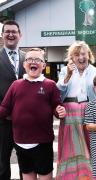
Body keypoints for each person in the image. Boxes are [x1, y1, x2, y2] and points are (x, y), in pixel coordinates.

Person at [0, 48, 66, 180]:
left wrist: (60, 111)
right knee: (27, 175)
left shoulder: (50, 85)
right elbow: (4, 108)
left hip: (42, 142)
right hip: (20, 142)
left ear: (43, 65)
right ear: (24, 65)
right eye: (29, 59)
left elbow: (57, 107)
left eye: (37, 59)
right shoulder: (15, 85)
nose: (33, 62)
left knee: (45, 176)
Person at [56, 41, 96, 179]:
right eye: (76, 54)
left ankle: (89, 175)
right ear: (72, 57)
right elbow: (58, 93)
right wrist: (68, 75)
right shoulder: (64, 71)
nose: (80, 57)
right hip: (69, 114)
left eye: (83, 54)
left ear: (89, 55)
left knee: (90, 146)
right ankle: (70, 176)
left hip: (89, 112)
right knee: (71, 147)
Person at [0, 20, 25, 180]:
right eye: (7, 31)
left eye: (14, 31)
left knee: (26, 163)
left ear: (20, 35)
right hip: (2, 122)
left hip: (25, 122)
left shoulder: (28, 58)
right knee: (2, 164)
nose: (10, 34)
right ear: (2, 35)